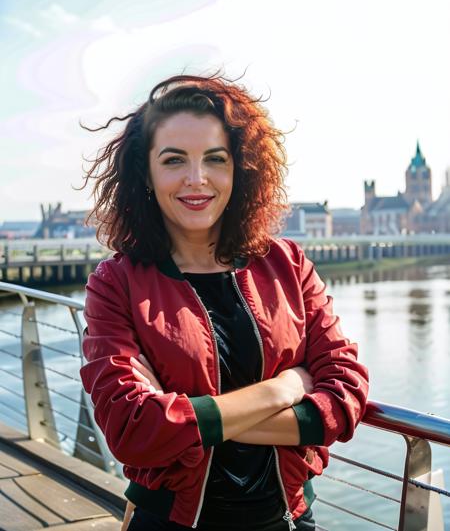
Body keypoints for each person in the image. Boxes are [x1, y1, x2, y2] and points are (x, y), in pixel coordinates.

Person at [79, 72, 369, 531]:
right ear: (146, 174)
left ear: (239, 169)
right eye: (174, 160)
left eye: (216, 159)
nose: (197, 179)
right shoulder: (117, 283)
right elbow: (130, 429)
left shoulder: (287, 265)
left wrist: (182, 414)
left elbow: (346, 396)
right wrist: (284, 389)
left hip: (289, 521)